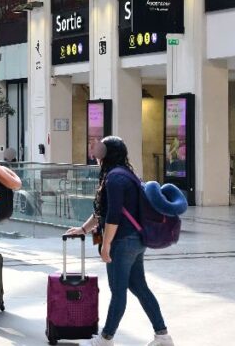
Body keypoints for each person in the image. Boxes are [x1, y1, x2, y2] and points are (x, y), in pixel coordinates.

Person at [64, 136, 173, 345]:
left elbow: (113, 215)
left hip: (122, 241)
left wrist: (106, 245)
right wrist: (83, 230)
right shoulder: (126, 174)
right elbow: (103, 211)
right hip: (136, 240)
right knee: (139, 287)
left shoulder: (114, 178)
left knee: (118, 291)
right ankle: (162, 335)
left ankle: (106, 338)